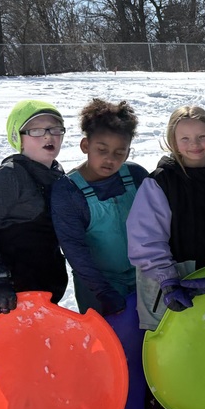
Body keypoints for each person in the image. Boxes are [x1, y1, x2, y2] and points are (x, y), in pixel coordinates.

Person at [126, 106, 205, 409]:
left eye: (202, 136)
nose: (195, 144)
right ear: (172, 140)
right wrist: (169, 280)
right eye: (186, 137)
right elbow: (146, 238)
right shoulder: (159, 182)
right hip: (171, 283)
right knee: (172, 351)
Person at [0, 99, 69, 313]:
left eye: (55, 129)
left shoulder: (59, 176)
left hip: (45, 288)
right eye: (36, 130)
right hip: (8, 295)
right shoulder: (8, 176)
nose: (48, 136)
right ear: (18, 138)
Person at [52, 98, 148, 316]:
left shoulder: (136, 176)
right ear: (85, 145)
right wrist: (103, 291)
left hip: (144, 277)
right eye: (101, 150)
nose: (110, 159)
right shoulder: (68, 192)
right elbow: (75, 250)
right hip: (96, 283)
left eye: (119, 152)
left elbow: (160, 224)